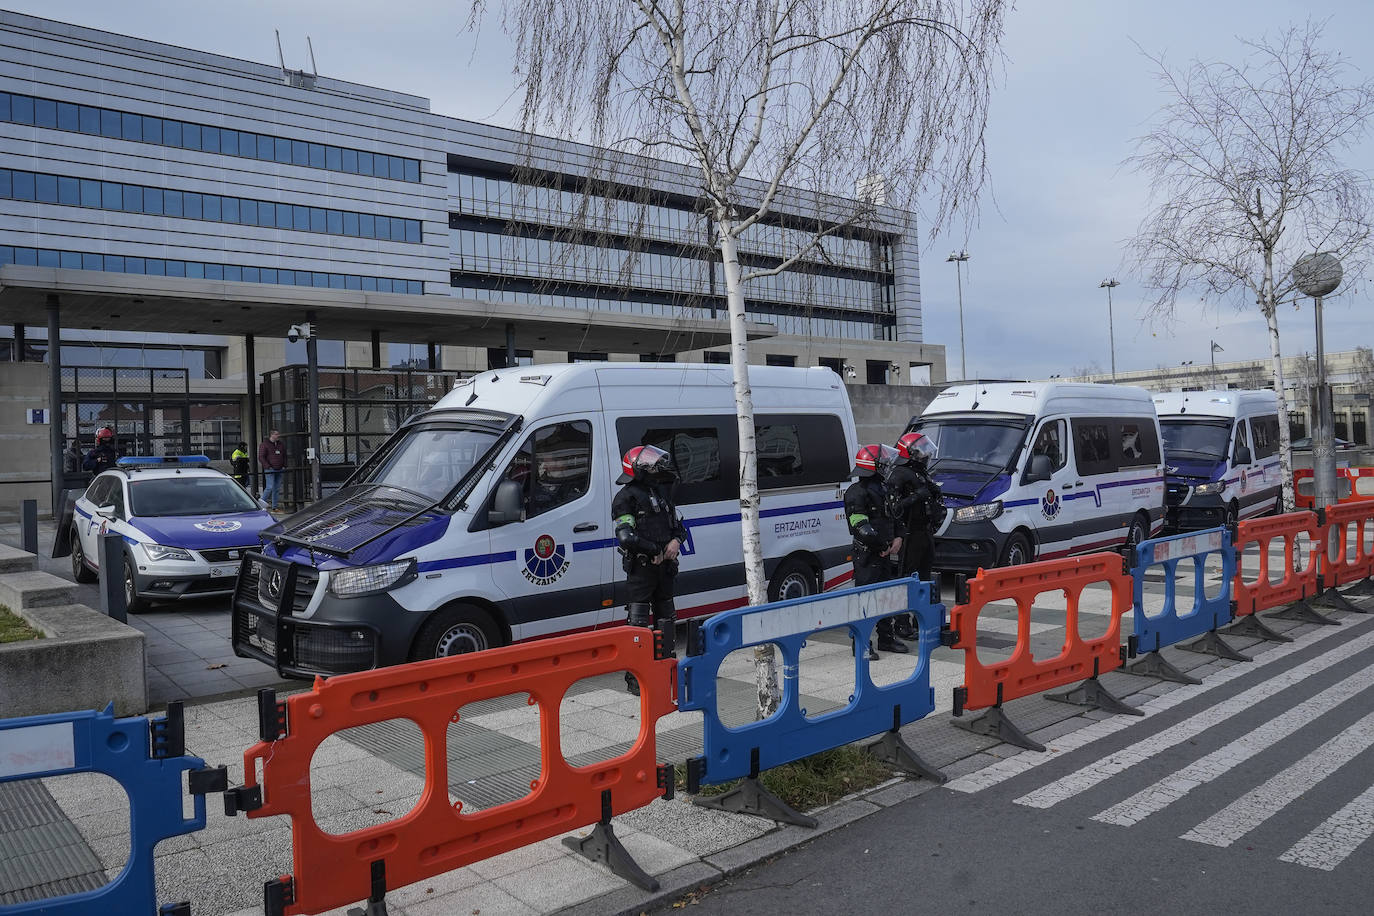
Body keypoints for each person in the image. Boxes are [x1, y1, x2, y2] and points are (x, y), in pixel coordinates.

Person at [613, 444, 688, 695]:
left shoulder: (662, 492)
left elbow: (677, 526)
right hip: (642, 570)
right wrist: (654, 550)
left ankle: (666, 673)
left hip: (665, 570)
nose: (656, 468)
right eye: (650, 464)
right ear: (636, 468)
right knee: (638, 626)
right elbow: (626, 537)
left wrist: (676, 541)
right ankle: (636, 681)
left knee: (667, 621)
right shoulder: (625, 497)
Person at [845, 444, 908, 656]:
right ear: (872, 466)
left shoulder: (884, 488)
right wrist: (882, 546)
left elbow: (895, 514)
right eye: (882, 463)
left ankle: (886, 639)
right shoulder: (856, 493)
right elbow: (861, 527)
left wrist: (898, 536)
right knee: (865, 600)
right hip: (867, 554)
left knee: (884, 597)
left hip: (885, 552)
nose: (887, 466)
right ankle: (861, 644)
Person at [883, 432, 948, 640]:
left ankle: (922, 621)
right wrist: (915, 497)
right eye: (921, 451)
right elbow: (893, 508)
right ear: (910, 453)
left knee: (925, 578)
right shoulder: (899, 474)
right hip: (910, 534)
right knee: (907, 578)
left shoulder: (921, 473)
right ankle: (901, 623)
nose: (925, 456)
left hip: (924, 532)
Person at [258, 429, 286, 510]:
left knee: (276, 488)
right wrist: (268, 466)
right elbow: (261, 457)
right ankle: (261, 504)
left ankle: (275, 507)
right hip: (270, 469)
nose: (278, 436)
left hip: (279, 468)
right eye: (276, 434)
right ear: (272, 435)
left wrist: (284, 465)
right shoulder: (265, 444)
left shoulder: (280, 444)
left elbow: (284, 455)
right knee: (270, 487)